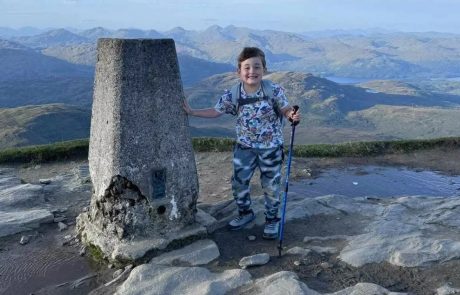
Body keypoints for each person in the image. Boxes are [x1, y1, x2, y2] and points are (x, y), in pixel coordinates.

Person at [183, 47, 300, 239]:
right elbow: (215, 111)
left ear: (264, 70)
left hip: (270, 148)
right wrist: (193, 112)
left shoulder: (273, 90)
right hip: (244, 147)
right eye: (247, 67)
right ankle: (245, 214)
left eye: (257, 67)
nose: (251, 71)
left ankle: (272, 220)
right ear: (239, 71)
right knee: (239, 184)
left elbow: (285, 109)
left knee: (271, 185)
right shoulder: (233, 93)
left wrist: (292, 116)